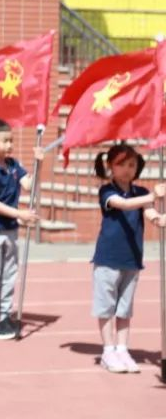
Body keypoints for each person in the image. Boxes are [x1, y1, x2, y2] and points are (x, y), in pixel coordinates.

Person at [90, 143, 166, 373]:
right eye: (121, 164)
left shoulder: (141, 193)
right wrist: (153, 195)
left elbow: (149, 212)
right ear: (110, 166)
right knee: (106, 307)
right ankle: (108, 350)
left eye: (131, 165)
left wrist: (159, 219)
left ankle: (122, 349)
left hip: (132, 259)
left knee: (124, 309)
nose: (127, 169)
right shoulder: (107, 191)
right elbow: (122, 204)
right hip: (108, 258)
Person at [0, 117, 41, 340]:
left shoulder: (13, 165)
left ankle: (4, 315)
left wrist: (39, 164)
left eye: (11, 140)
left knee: (9, 274)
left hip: (10, 230)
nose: (9, 145)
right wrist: (19, 214)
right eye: (4, 141)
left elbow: (29, 184)